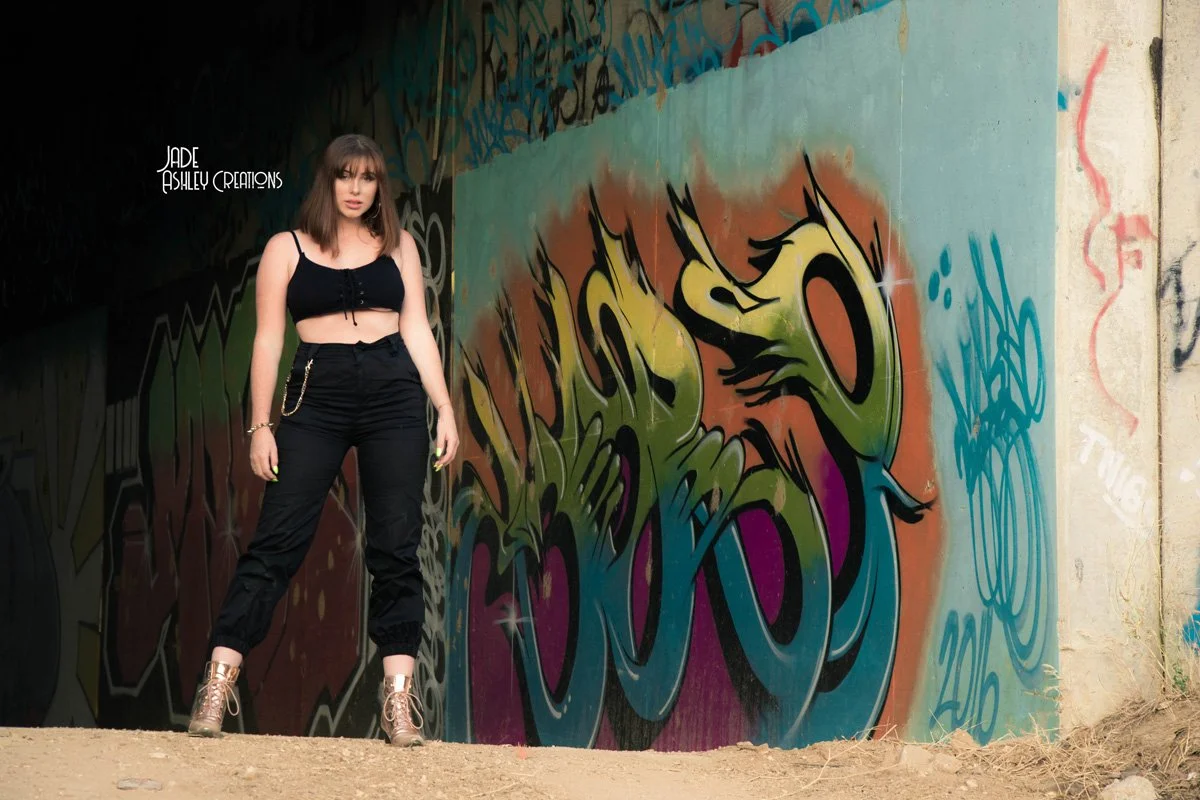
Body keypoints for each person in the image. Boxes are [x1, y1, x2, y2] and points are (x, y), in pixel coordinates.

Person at [186, 133, 458, 747]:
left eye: (368, 178)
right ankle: (217, 683)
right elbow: (267, 340)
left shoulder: (400, 246)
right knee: (279, 539)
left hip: (394, 390)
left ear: (378, 186)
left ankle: (398, 706)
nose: (357, 189)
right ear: (327, 182)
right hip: (317, 393)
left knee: (396, 544)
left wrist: (443, 407)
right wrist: (261, 426)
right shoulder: (287, 248)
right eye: (346, 177)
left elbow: (417, 328)